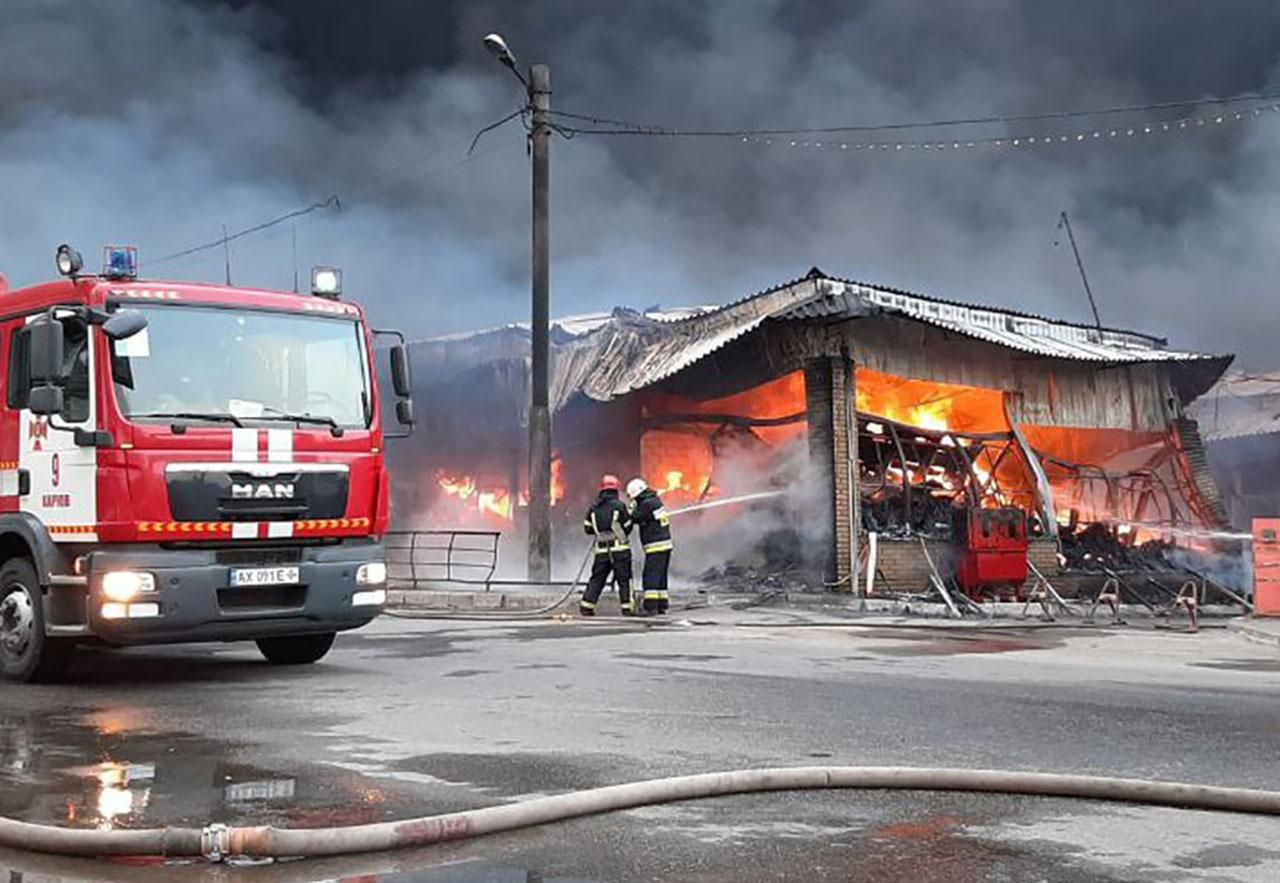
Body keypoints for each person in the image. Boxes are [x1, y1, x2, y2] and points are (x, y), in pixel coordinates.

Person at [580, 474, 634, 616]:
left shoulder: (593, 508)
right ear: (616, 490)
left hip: (601, 551)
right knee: (624, 579)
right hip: (620, 550)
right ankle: (627, 608)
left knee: (597, 579)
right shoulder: (620, 506)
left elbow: (587, 529)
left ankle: (586, 606)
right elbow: (628, 526)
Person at [627, 477, 673, 615]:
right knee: (661, 576)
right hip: (665, 544)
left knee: (650, 576)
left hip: (655, 545)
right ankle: (662, 605)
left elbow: (635, 518)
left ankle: (650, 607)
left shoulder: (646, 504)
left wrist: (630, 509)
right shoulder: (655, 500)